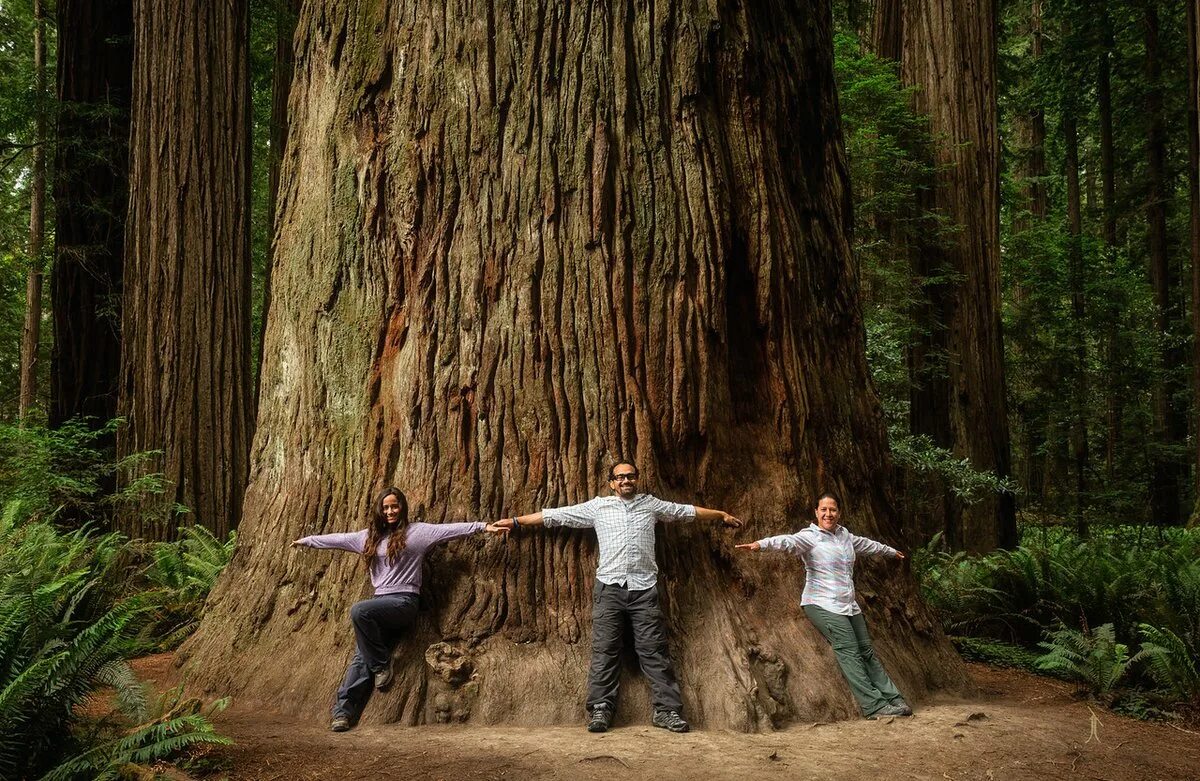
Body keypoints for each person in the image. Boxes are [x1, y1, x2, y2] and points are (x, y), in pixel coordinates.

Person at [497, 461, 743, 734]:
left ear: (636, 480)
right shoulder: (598, 507)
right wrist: (518, 521)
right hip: (609, 588)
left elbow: (685, 512)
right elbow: (557, 515)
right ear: (612, 483)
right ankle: (601, 709)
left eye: (630, 476)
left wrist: (720, 514)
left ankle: (667, 711)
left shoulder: (651, 505)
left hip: (644, 590)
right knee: (605, 650)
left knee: (654, 651)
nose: (626, 480)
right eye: (620, 477)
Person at [291, 487, 507, 732]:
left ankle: (382, 665)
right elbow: (337, 539)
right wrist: (307, 541)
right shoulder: (367, 538)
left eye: (394, 506)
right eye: (385, 507)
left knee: (359, 611)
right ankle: (343, 713)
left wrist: (483, 526)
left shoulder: (418, 532)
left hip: (404, 603)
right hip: (379, 607)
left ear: (402, 507)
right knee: (361, 657)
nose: (390, 511)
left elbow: (451, 530)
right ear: (379, 511)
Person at [735, 491, 912, 719]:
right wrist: (760, 544)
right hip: (821, 603)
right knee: (849, 651)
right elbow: (787, 541)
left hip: (848, 604)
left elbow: (866, 545)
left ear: (839, 512)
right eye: (824, 510)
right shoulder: (810, 536)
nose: (829, 514)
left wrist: (889, 551)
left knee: (866, 651)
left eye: (833, 510)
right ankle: (875, 706)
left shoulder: (844, 535)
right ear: (816, 512)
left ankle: (893, 698)